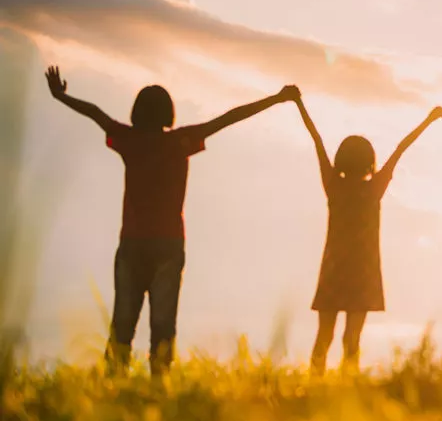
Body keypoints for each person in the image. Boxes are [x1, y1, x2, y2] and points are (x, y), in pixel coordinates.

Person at [44, 66, 297, 377]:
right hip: (168, 244)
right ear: (168, 113)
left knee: (123, 322)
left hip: (133, 243)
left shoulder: (129, 139)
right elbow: (229, 118)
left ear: (137, 111)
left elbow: (96, 113)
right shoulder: (180, 142)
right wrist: (276, 99)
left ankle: (114, 384)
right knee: (163, 325)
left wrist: (60, 97)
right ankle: (158, 385)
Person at [294, 95, 442, 375]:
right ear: (370, 161)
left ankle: (314, 386)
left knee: (324, 337)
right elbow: (401, 148)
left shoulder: (333, 185)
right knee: (351, 339)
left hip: (333, 269)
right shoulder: (374, 189)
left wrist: (298, 104)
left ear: (341, 160)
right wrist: (429, 119)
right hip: (363, 272)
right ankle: (347, 390)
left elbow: (316, 139)